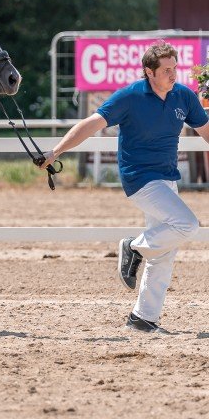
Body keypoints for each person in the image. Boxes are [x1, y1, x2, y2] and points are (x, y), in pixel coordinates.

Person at [38, 42, 209, 333]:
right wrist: (56, 152)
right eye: (166, 70)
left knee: (165, 251)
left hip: (167, 178)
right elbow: (91, 124)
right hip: (140, 178)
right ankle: (134, 247)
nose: (173, 74)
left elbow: (206, 132)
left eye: (175, 68)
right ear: (149, 72)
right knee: (187, 224)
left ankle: (143, 318)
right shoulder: (130, 96)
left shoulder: (183, 96)